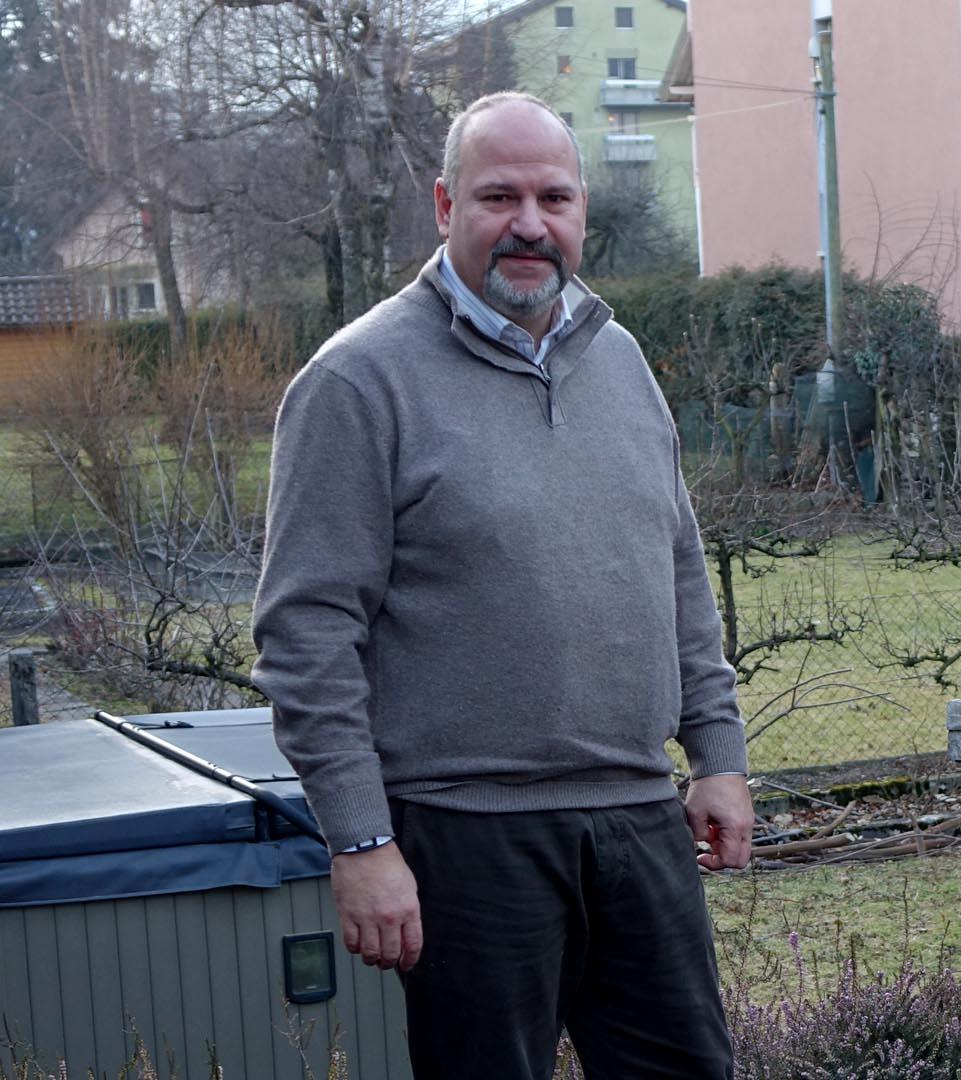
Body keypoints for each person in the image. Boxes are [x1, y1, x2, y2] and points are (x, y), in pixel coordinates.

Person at [251, 91, 752, 1080]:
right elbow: (307, 636)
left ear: (581, 215)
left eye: (554, 197)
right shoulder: (357, 382)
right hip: (463, 837)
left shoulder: (621, 362)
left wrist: (718, 751)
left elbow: (678, 567)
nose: (530, 224)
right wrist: (360, 844)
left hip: (637, 819)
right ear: (445, 207)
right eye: (499, 196)